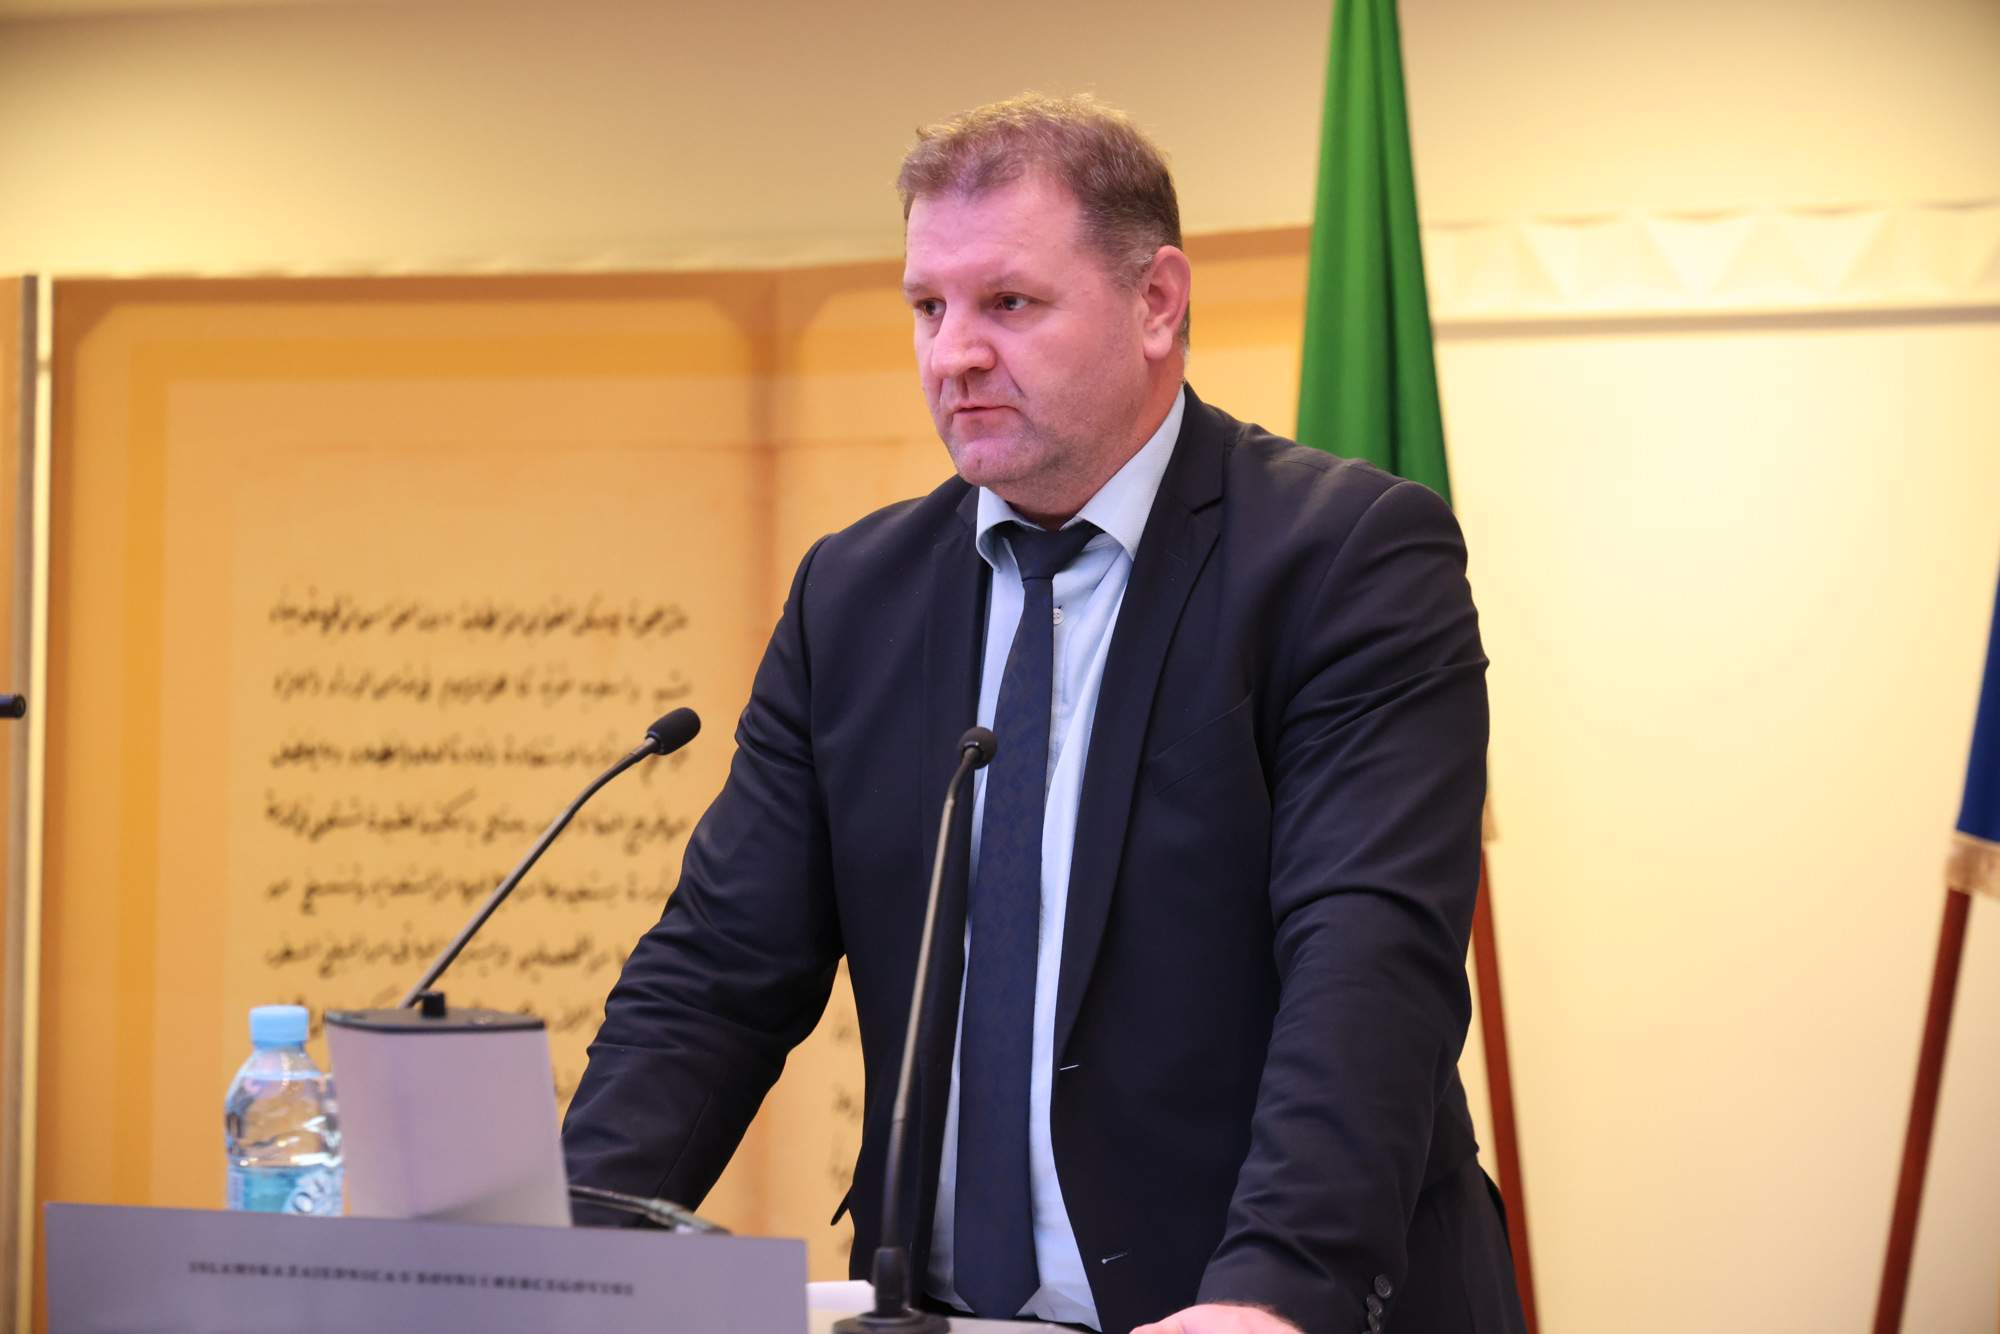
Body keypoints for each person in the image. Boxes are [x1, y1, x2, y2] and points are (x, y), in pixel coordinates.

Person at [563, 93, 1525, 1334]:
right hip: (941, 1309)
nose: (952, 353)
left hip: (1252, 1305)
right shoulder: (853, 597)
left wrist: (1274, 1288)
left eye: (1007, 303)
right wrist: (557, 1258)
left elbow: (1366, 960)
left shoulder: (1344, 559)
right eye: (927, 306)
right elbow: (715, 973)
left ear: (1156, 302)